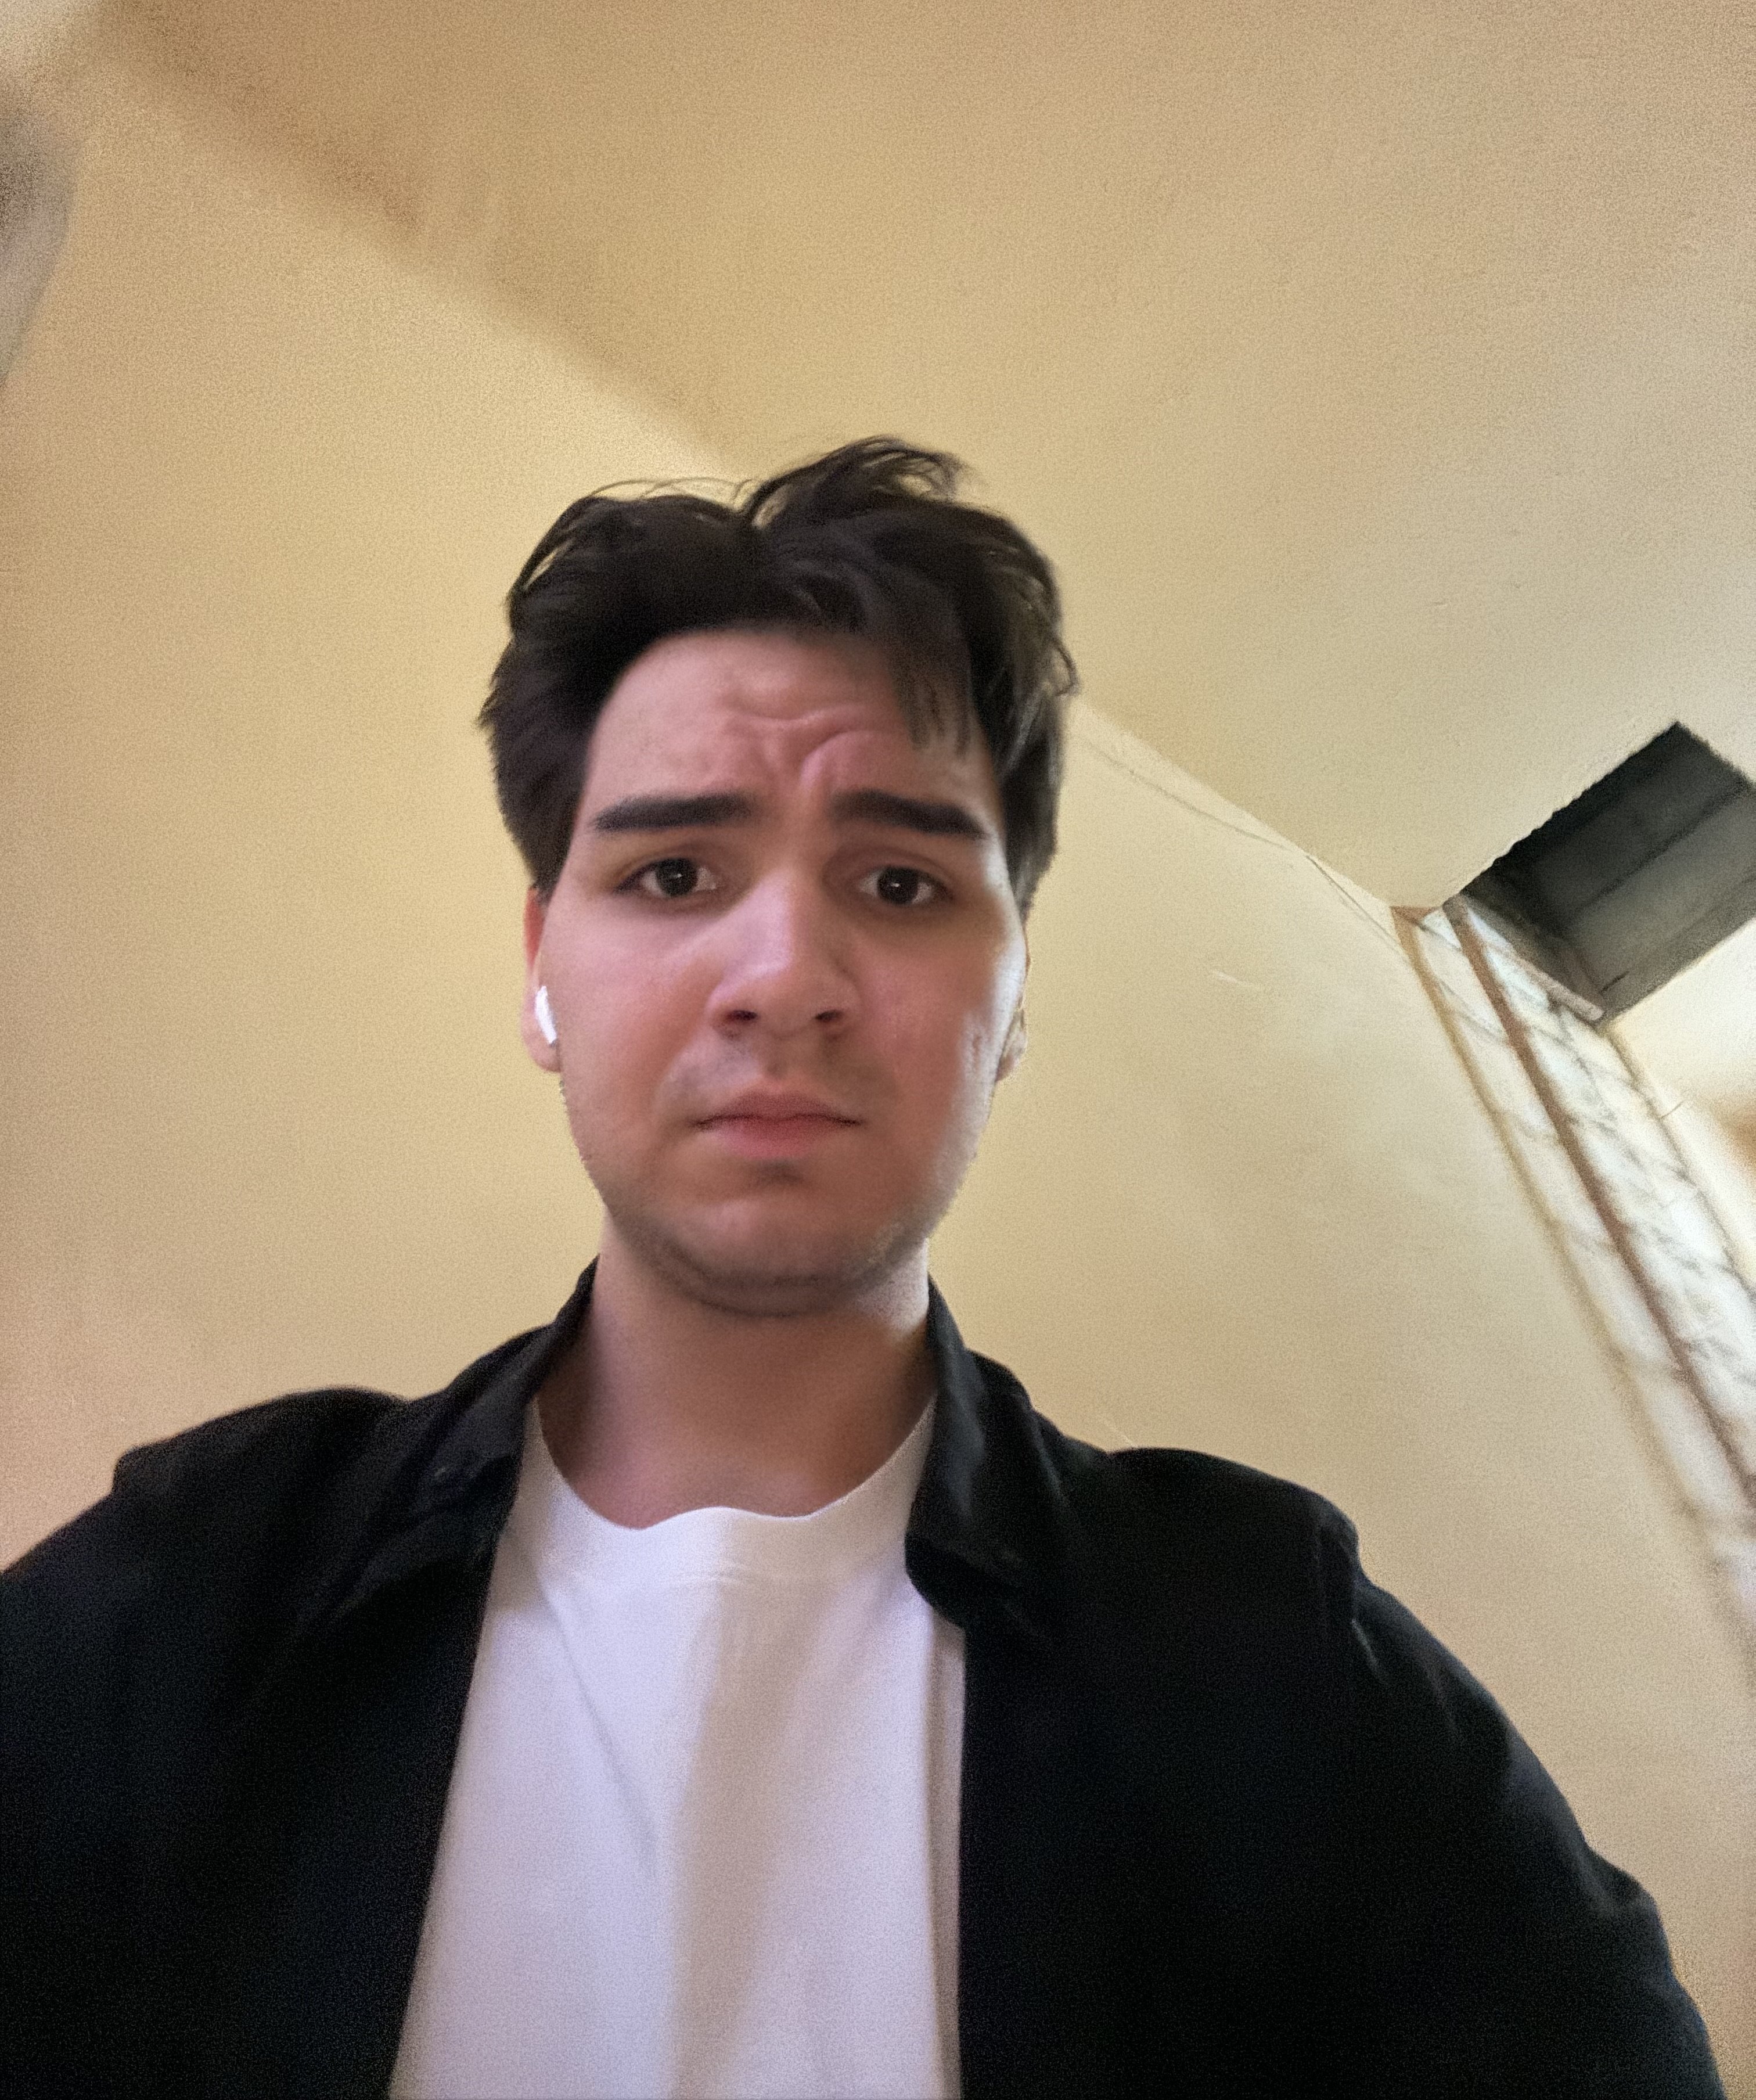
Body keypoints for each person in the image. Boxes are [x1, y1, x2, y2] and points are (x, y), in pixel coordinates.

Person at [1, 440, 1723, 2100]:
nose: (784, 976)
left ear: (1015, 1002)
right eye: (675, 872)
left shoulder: (1261, 1649)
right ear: (542, 971)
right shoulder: (212, 1577)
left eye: (901, 883)